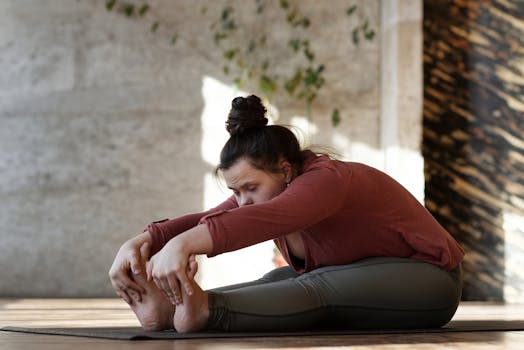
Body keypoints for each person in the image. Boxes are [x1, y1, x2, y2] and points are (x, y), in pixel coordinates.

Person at [109, 95, 464, 333]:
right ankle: (174, 311)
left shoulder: (326, 180)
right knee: (275, 281)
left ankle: (206, 311)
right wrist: (146, 239)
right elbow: (213, 217)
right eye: (236, 191)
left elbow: (257, 221)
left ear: (285, 169)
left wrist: (183, 246)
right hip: (368, 278)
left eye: (250, 188)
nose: (242, 201)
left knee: (317, 287)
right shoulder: (267, 190)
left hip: (430, 282)